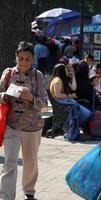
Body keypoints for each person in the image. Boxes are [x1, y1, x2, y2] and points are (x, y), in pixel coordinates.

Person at [0, 41, 48, 200]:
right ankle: (6, 197)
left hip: (32, 127)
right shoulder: (8, 74)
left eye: (27, 59)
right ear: (16, 58)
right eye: (21, 58)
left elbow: (44, 103)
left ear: (32, 59)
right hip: (11, 125)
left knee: (30, 163)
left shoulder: (38, 75)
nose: (24, 62)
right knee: (9, 163)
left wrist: (31, 98)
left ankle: (29, 192)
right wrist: (5, 96)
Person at [75, 61, 101, 134]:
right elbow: (92, 98)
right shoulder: (86, 83)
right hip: (86, 105)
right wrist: (99, 102)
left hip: (79, 104)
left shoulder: (76, 80)